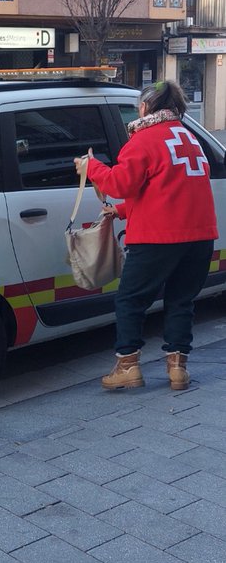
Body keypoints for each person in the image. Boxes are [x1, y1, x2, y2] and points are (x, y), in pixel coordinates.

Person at [74, 80, 217, 391]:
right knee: (181, 300)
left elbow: (120, 184)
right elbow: (168, 189)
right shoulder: (189, 138)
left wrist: (91, 166)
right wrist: (123, 211)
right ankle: (177, 369)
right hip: (199, 236)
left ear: (145, 107)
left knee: (130, 300)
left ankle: (128, 366)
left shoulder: (144, 140)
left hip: (157, 238)